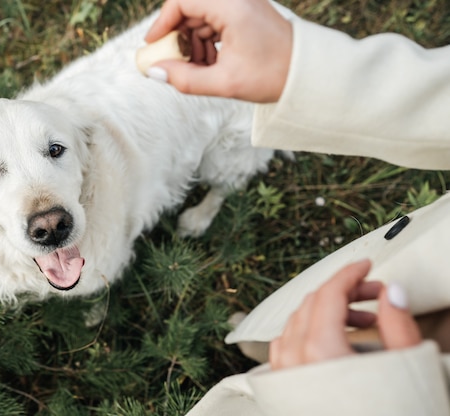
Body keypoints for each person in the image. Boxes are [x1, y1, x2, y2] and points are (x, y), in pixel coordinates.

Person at [142, 0, 450, 414]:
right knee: (292, 322)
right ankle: (264, 344)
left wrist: (361, 402)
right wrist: (298, 71)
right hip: (417, 279)